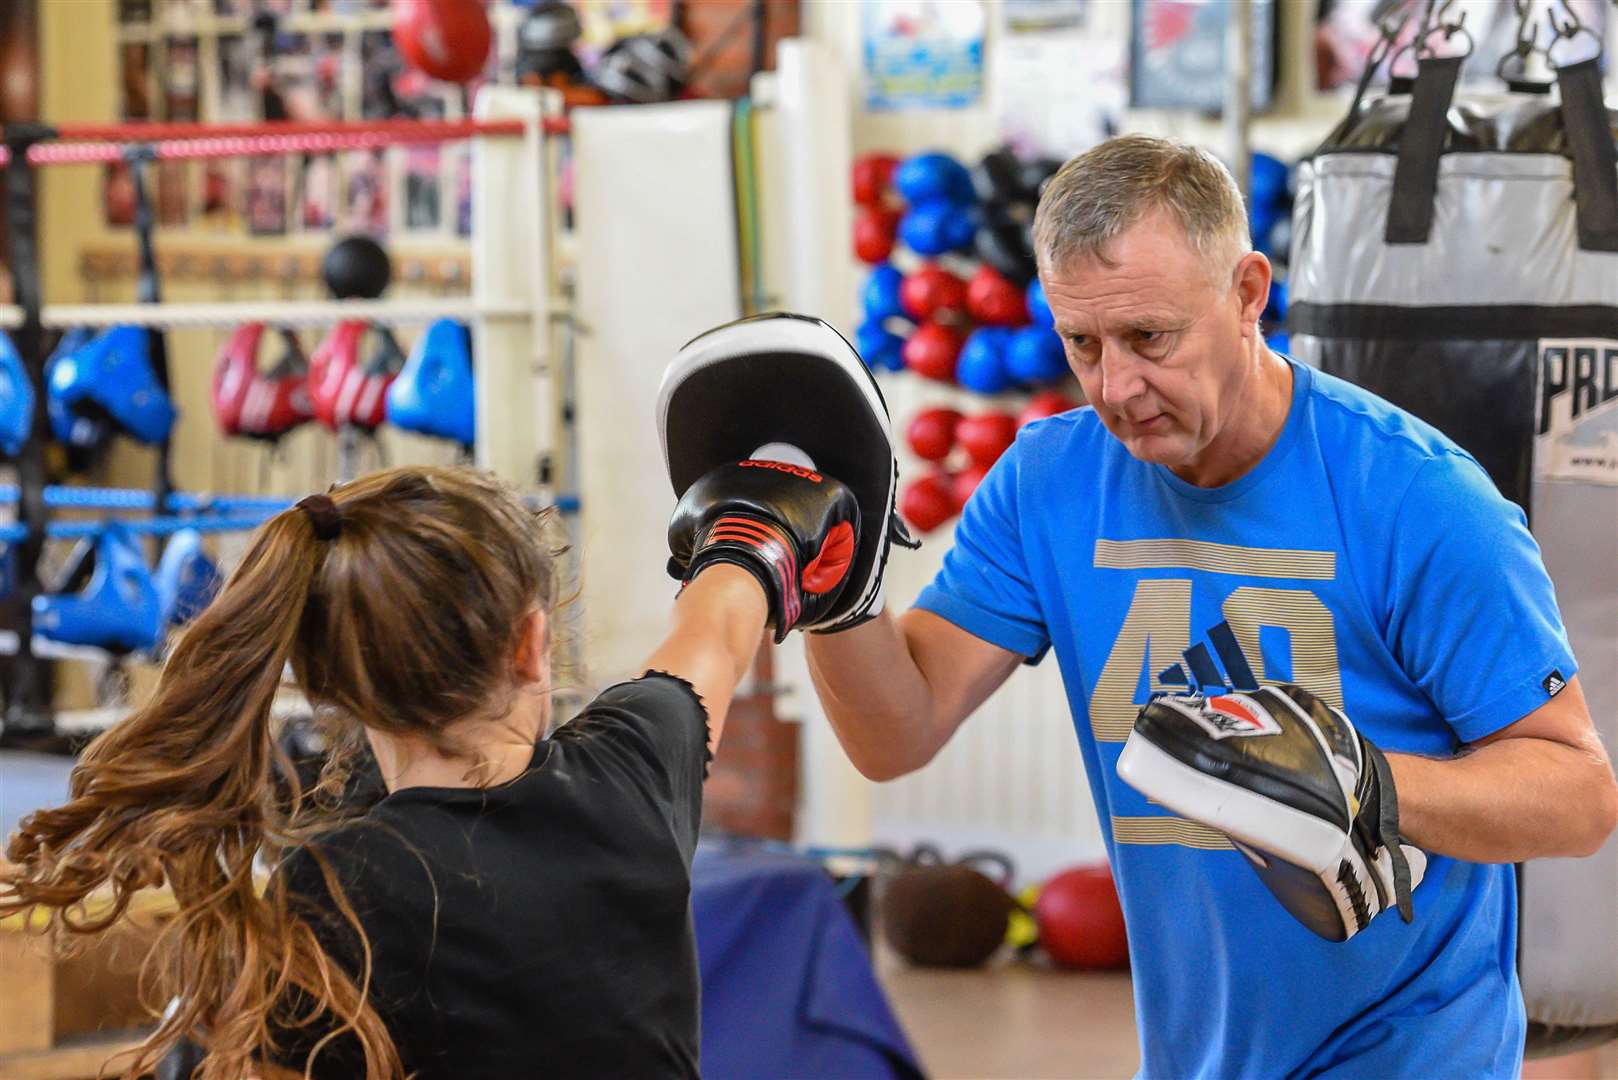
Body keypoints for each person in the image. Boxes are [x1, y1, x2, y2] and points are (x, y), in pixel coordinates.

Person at [800, 135, 1618, 1077]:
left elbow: (1581, 795)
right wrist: (837, 590)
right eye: (1083, 344)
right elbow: (893, 733)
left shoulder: (1414, 495)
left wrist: (1364, 784)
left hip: (1415, 1052)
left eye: (1150, 337)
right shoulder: (1048, 482)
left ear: (1247, 293)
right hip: (1198, 1053)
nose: (1116, 387)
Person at [1, 462, 858, 1079]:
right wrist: (758, 534)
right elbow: (712, 635)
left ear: (326, 681)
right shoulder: (633, 766)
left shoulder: (333, 888)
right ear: (533, 644)